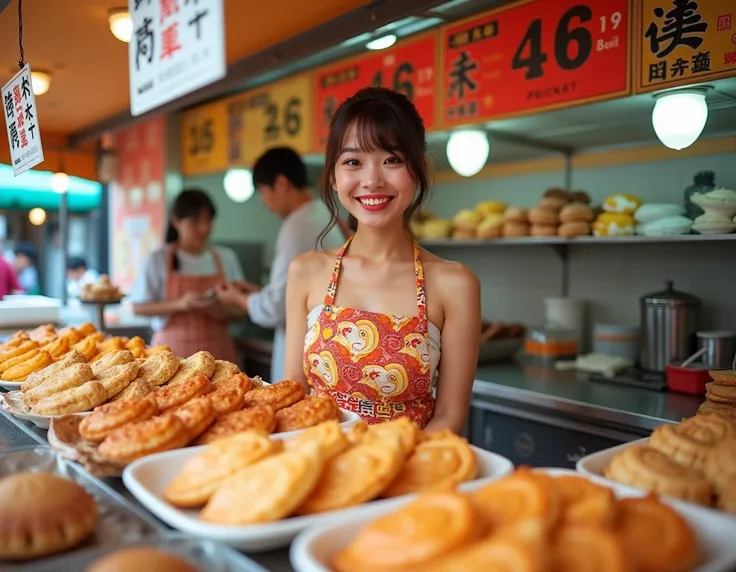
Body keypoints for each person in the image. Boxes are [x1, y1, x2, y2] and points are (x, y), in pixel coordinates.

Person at [283, 87, 481, 434]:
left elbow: (450, 415)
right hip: (316, 469)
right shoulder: (306, 271)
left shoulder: (456, 283)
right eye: (352, 162)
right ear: (333, 176)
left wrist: (386, 470)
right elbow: (293, 395)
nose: (372, 180)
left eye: (392, 159)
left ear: (418, 169)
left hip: (407, 476)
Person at [215, 147, 345, 383]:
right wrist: (260, 293)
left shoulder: (296, 226)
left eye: (264, 193)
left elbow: (276, 308)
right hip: (324, 345)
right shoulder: (323, 214)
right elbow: (294, 292)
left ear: (282, 184)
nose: (265, 203)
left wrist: (238, 298)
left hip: (304, 351)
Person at [130, 189, 245, 362]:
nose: (204, 228)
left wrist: (219, 310)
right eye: (195, 221)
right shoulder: (158, 259)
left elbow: (241, 310)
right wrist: (180, 304)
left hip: (219, 353)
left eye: (208, 221)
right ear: (176, 221)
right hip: (172, 354)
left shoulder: (226, 258)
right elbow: (138, 307)